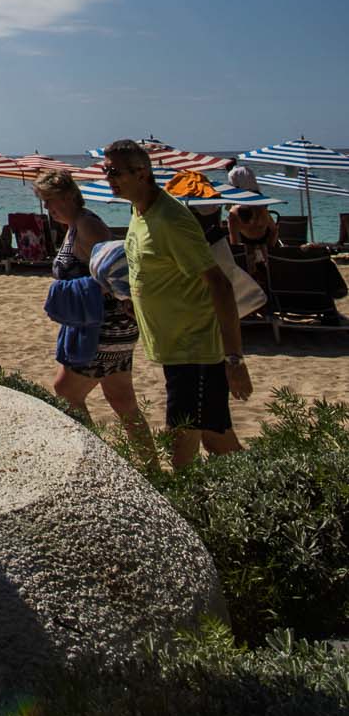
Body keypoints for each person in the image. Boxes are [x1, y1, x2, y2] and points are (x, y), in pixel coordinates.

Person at [104, 139, 250, 469]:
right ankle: (269, 491)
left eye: (114, 171)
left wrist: (235, 359)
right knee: (217, 439)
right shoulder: (139, 213)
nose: (107, 178)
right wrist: (138, 305)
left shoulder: (172, 220)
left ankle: (186, 514)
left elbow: (221, 286)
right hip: (176, 349)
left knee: (180, 446)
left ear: (141, 173)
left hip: (195, 350)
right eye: (105, 170)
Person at [33, 168, 152, 455]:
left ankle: (96, 456)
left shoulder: (88, 226)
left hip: (104, 326)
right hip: (103, 324)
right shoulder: (75, 226)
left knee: (66, 391)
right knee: (122, 399)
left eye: (50, 201)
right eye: (44, 202)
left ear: (70, 196)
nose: (47, 208)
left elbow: (119, 272)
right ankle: (149, 464)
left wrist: (89, 288)